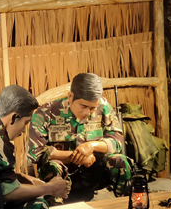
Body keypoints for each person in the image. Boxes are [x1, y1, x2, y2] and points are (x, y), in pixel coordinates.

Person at [27, 73, 132, 201]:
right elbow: (35, 153)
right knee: (53, 167)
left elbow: (117, 141)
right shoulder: (46, 113)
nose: (87, 112)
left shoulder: (103, 107)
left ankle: (124, 205)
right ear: (70, 97)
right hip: (62, 172)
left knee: (121, 162)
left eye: (92, 108)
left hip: (94, 171)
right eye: (83, 106)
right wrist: (77, 157)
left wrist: (92, 146)